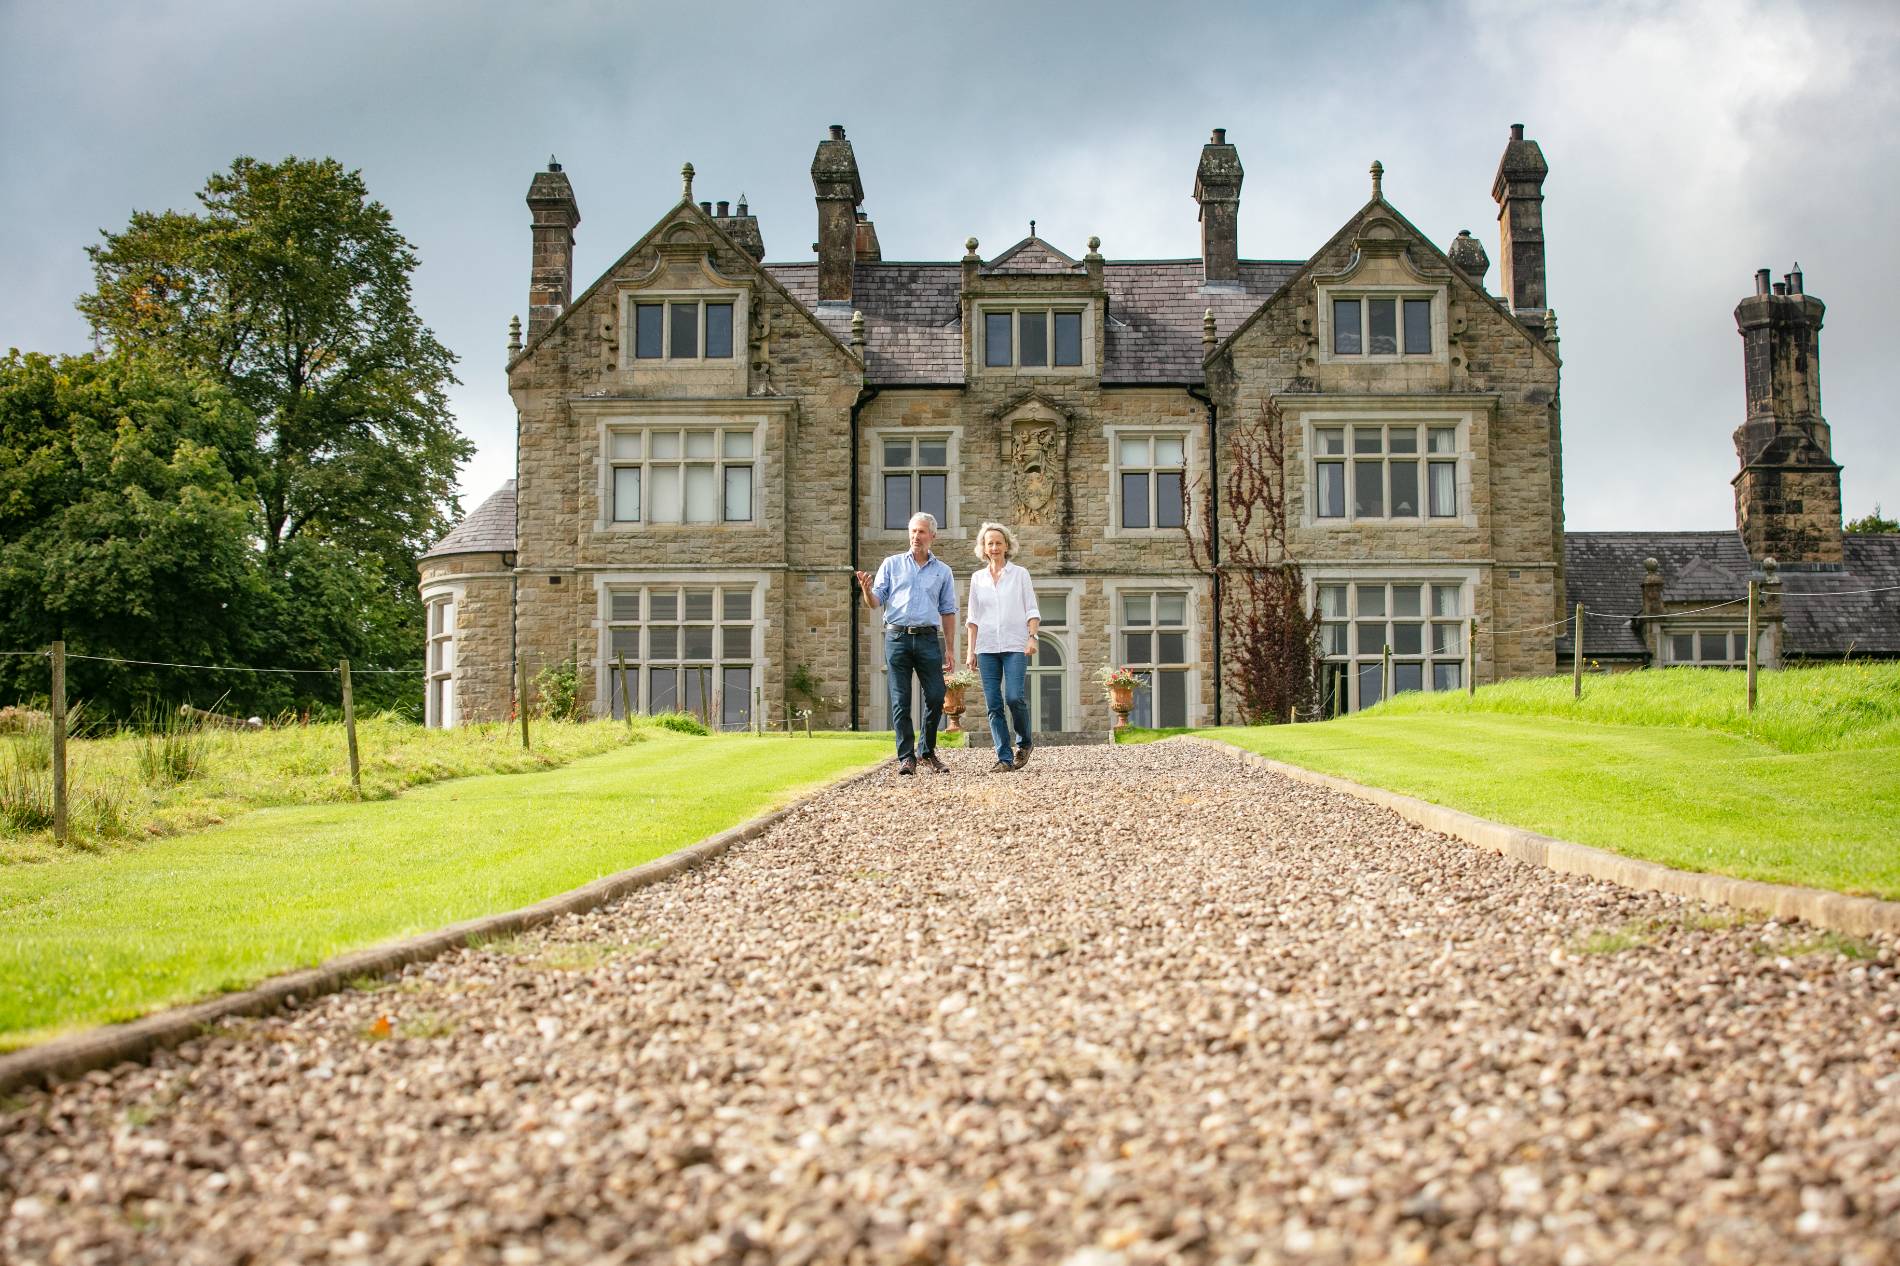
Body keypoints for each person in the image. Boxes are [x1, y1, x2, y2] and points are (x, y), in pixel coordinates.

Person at [855, 511, 958, 774]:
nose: (916, 536)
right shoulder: (891, 564)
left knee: (936, 696)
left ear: (932, 536)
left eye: (921, 532)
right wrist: (867, 591)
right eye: (912, 531)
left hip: (927, 638)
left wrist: (949, 648)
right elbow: (876, 602)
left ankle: (926, 751)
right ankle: (906, 758)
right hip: (897, 637)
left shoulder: (943, 571)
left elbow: (947, 611)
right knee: (900, 700)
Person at [963, 521, 1040, 773]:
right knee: (993, 704)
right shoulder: (977, 579)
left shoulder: (1020, 574)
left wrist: (1032, 637)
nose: (994, 547)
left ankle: (1024, 742)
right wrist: (970, 651)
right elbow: (972, 619)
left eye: (998, 542)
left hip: (1015, 644)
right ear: (983, 548)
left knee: (1014, 697)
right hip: (986, 648)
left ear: (1007, 545)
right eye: (990, 543)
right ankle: (1004, 758)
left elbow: (1032, 610)